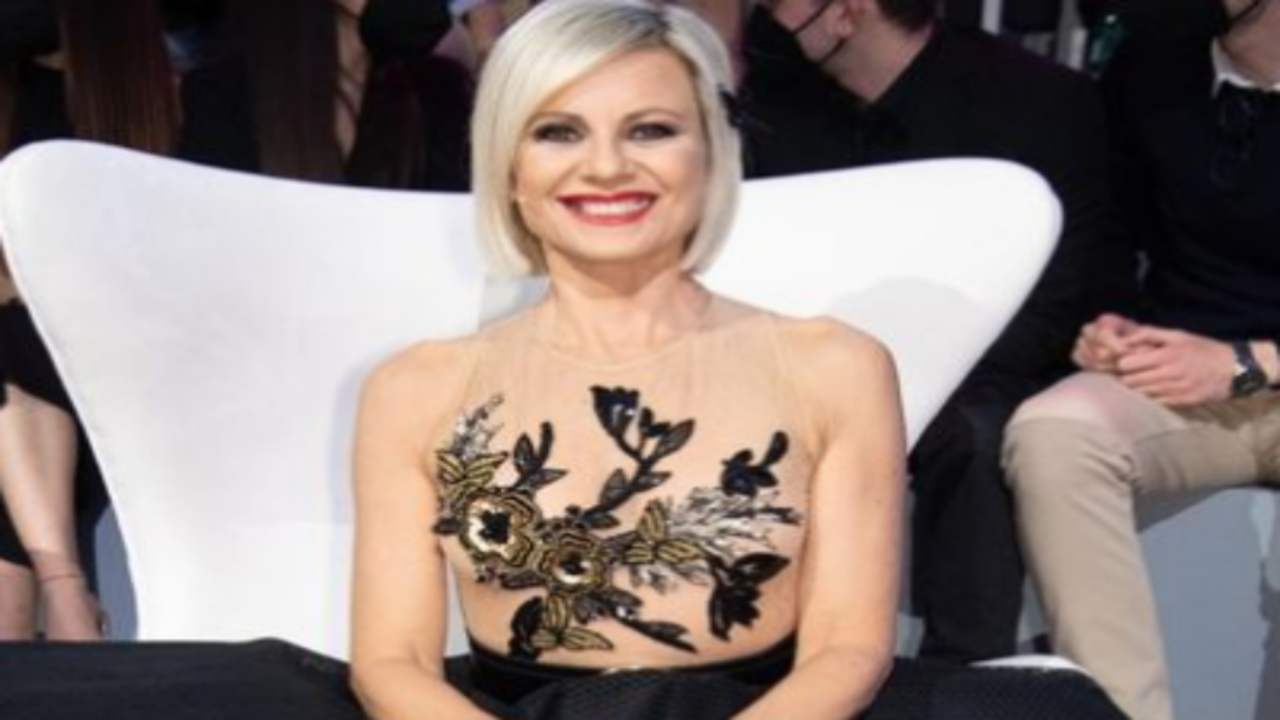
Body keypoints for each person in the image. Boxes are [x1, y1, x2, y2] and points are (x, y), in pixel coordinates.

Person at [348, 1, 905, 717]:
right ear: (509, 165)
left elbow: (847, 649)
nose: (607, 167)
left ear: (710, 152)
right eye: (558, 132)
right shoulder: (416, 388)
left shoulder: (835, 367)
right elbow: (392, 662)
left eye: (650, 130)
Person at [736, 0, 1124, 664]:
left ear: (847, 13)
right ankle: (756, 661)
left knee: (974, 436)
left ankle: (963, 669)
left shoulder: (1038, 99)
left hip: (989, 363)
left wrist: (911, 376)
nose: (767, 10)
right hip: (820, 359)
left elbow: (1064, 287)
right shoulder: (778, 95)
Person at [1001, 1, 1280, 718]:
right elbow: (1112, 237)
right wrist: (1109, 328)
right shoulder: (1155, 68)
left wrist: (1249, 361)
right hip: (1191, 375)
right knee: (1055, 433)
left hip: (1247, 368)